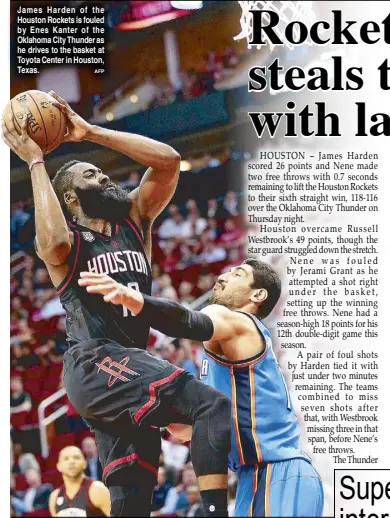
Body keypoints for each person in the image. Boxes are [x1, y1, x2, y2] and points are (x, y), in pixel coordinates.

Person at [2, 93, 231, 517]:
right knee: (210, 404)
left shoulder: (134, 219)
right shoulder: (67, 242)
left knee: (132, 494)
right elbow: (48, 241)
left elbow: (167, 161)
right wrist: (35, 161)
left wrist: (90, 132)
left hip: (127, 367)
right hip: (94, 362)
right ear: (71, 199)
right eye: (92, 175)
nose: (106, 179)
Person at [77, 259, 324, 517]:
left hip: (275, 472)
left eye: (237, 274)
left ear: (257, 294)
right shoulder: (225, 358)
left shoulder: (237, 320)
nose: (224, 275)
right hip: (261, 476)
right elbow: (189, 430)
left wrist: (134, 299)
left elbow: (186, 320)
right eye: (228, 270)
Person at [48, 446, 110, 517]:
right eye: (66, 459)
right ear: (59, 466)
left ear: (85, 463)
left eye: (76, 457)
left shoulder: (98, 489)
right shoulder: (54, 497)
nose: (71, 462)